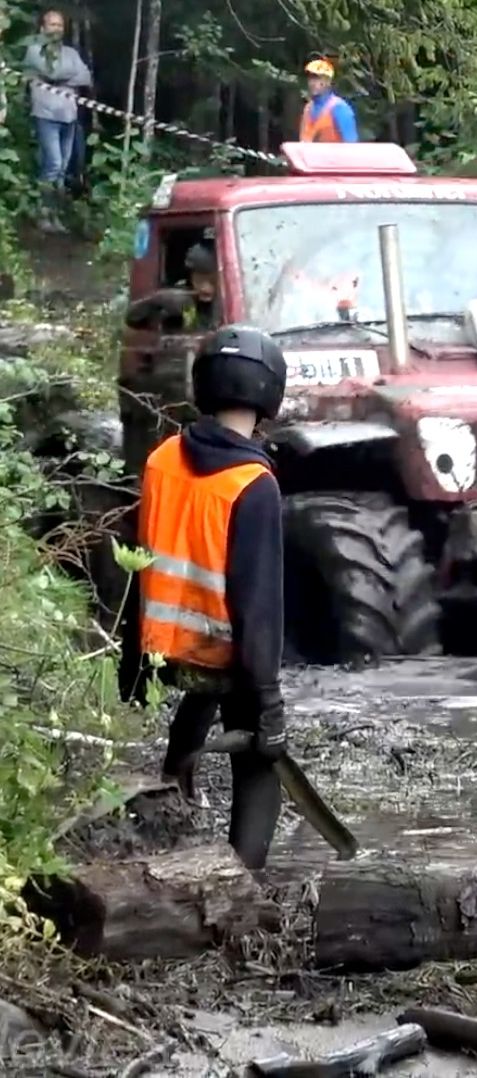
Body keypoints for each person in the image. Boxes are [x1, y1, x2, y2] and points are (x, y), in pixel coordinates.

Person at [121, 326, 289, 871]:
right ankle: (246, 884)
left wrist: (132, 657)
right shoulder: (252, 484)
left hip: (162, 650)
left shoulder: (162, 459)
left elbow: (138, 559)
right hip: (220, 655)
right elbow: (257, 604)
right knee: (262, 763)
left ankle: (174, 790)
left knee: (200, 696)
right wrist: (268, 703)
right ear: (268, 396)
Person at [23, 8, 93, 210]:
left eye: (60, 25)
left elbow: (85, 76)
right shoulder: (34, 50)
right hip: (46, 114)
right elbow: (51, 72)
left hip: (69, 116)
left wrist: (61, 76)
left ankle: (54, 214)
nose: (57, 28)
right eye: (52, 24)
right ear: (43, 27)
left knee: (63, 168)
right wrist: (67, 76)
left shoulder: (70, 52)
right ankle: (42, 212)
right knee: (53, 164)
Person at [125, 233, 220, 330]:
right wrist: (158, 300)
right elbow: (132, 319)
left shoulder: (227, 301)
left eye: (211, 280)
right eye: (199, 280)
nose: (205, 286)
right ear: (191, 277)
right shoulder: (181, 298)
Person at [299, 58, 358, 143]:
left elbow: (351, 145)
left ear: (328, 81)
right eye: (311, 78)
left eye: (318, 78)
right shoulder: (308, 108)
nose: (313, 83)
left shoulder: (340, 108)